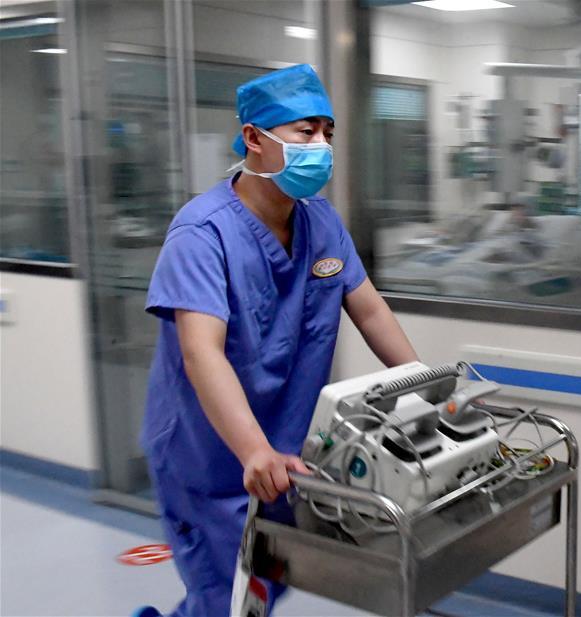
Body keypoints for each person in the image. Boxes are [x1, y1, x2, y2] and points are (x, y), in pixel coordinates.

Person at [136, 64, 418, 617]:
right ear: (253, 138)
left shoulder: (322, 224)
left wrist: (424, 385)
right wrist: (253, 450)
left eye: (327, 134)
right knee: (229, 598)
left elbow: (370, 311)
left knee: (264, 584)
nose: (321, 147)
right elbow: (201, 351)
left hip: (282, 452)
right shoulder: (202, 234)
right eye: (305, 132)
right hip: (208, 455)